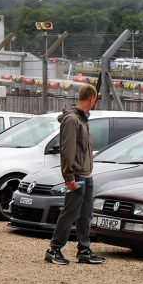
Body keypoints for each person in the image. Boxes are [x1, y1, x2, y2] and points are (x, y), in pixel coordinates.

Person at [45, 84, 105, 265]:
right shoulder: (72, 120)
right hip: (77, 175)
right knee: (70, 212)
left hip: (86, 174)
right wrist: (69, 176)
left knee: (85, 214)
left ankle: (84, 250)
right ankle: (54, 249)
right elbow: (67, 150)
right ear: (92, 99)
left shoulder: (82, 119)